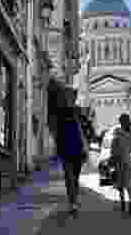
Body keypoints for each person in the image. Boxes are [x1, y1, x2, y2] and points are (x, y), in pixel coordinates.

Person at [53, 87, 89, 215]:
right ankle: (72, 203)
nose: (70, 98)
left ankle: (73, 201)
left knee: (75, 178)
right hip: (66, 150)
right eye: (69, 96)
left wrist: (86, 146)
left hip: (77, 150)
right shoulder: (62, 112)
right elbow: (57, 132)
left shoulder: (78, 112)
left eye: (72, 96)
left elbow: (87, 129)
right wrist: (58, 149)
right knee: (69, 178)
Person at [110, 113, 131, 214]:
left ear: (121, 121)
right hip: (128, 161)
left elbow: (113, 148)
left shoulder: (117, 132)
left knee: (120, 184)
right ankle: (130, 205)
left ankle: (123, 205)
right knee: (129, 184)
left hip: (119, 162)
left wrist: (112, 157)